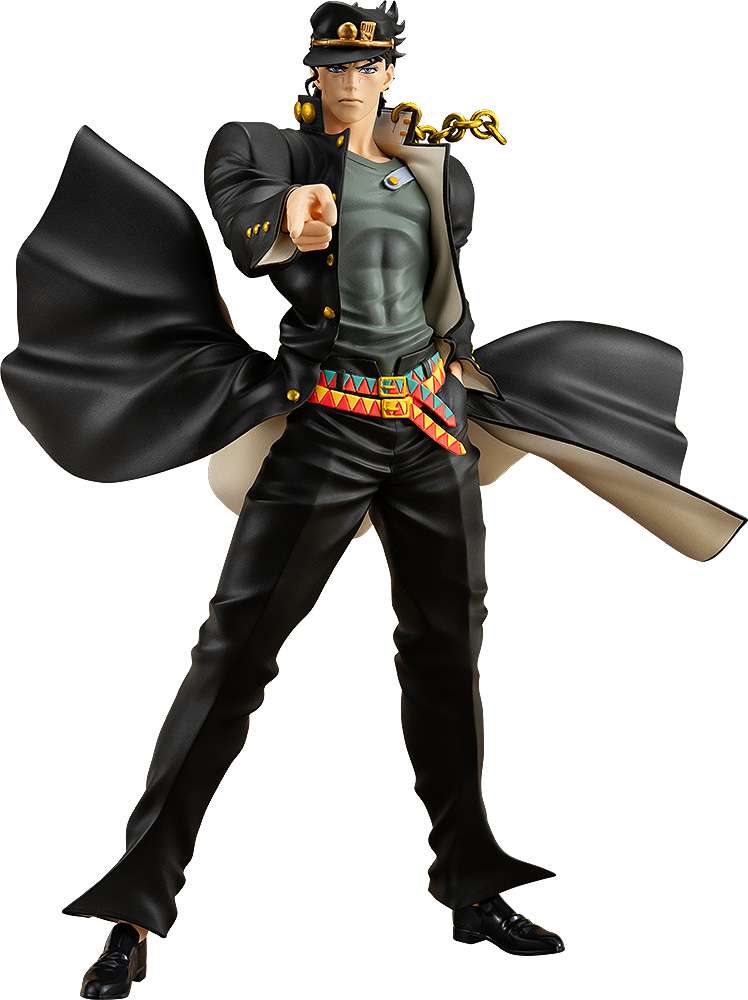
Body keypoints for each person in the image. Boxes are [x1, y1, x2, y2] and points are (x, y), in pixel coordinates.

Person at [2, 3, 743, 997]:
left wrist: (467, 390)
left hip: (432, 432)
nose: (350, 82)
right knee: (233, 656)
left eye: (368, 65)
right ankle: (134, 911)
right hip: (329, 430)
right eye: (334, 65)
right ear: (312, 70)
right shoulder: (260, 150)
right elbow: (250, 225)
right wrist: (289, 218)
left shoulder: (441, 171)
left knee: (448, 657)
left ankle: (471, 885)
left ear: (391, 70)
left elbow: (443, 301)